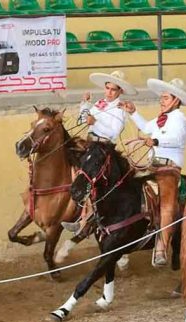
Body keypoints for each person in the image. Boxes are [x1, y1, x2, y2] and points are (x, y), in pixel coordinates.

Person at [119, 78, 186, 266]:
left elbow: (176, 138)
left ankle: (161, 247)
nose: (162, 101)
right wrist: (133, 112)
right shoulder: (161, 119)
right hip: (152, 166)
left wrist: (156, 141)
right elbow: (146, 128)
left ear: (176, 100)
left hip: (169, 169)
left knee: (167, 204)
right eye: (161, 97)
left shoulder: (181, 119)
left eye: (165, 98)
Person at [61, 70, 137, 233]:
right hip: (90, 143)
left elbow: (114, 132)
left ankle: (85, 217)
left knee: (88, 176)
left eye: (113, 89)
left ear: (120, 91)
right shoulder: (100, 103)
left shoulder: (120, 109)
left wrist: (95, 121)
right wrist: (85, 105)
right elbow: (83, 120)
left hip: (103, 148)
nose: (109, 92)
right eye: (107, 88)